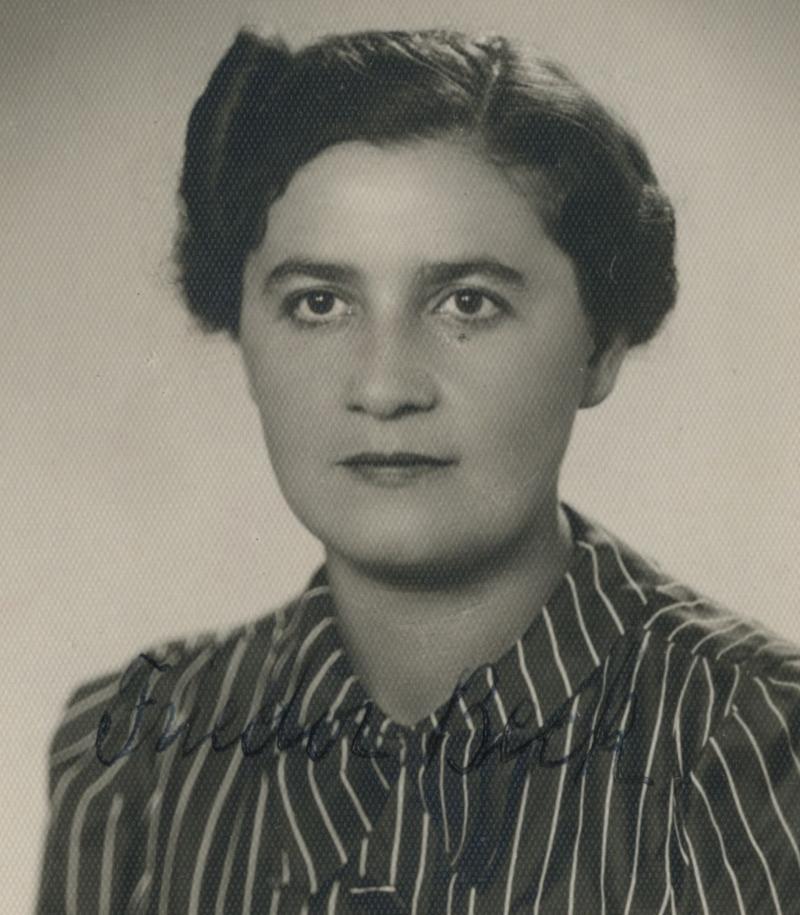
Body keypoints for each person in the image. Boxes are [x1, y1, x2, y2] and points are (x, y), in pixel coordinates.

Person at [36, 26, 800, 915]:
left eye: (467, 302)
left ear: (601, 346)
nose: (385, 386)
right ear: (242, 336)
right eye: (318, 303)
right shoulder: (134, 754)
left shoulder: (758, 745)